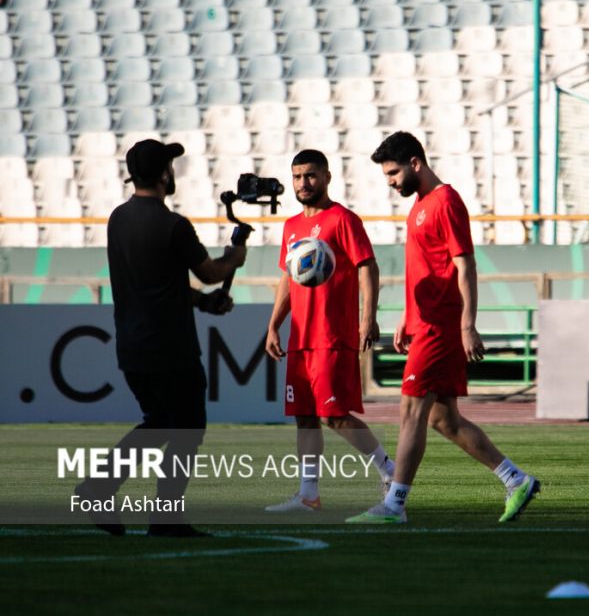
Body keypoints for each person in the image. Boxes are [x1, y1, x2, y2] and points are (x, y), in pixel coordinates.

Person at [347, 131, 539, 525]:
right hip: (424, 322)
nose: (391, 182)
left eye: (394, 173)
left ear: (416, 163)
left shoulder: (446, 201)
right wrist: (406, 316)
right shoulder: (419, 205)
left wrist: (468, 324)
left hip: (441, 324)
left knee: (410, 411)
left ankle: (394, 505)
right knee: (442, 419)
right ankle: (515, 480)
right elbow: (427, 267)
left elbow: (464, 265)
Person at [74, 139, 246, 538]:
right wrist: (234, 257)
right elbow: (210, 272)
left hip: (133, 346)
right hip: (171, 347)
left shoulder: (117, 219)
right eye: (171, 166)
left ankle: (101, 488)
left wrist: (203, 305)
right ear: (165, 174)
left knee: (160, 423)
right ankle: (160, 514)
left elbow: (158, 284)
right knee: (186, 428)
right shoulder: (173, 225)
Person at [264, 149, 395, 512]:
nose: (303, 183)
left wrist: (368, 317)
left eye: (310, 176)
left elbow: (367, 267)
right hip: (300, 338)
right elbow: (289, 279)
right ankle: (308, 495)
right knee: (304, 416)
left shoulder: (343, 220)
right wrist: (274, 324)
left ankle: (390, 471)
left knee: (334, 415)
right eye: (297, 177)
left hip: (333, 335)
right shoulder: (291, 227)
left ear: (326, 177)